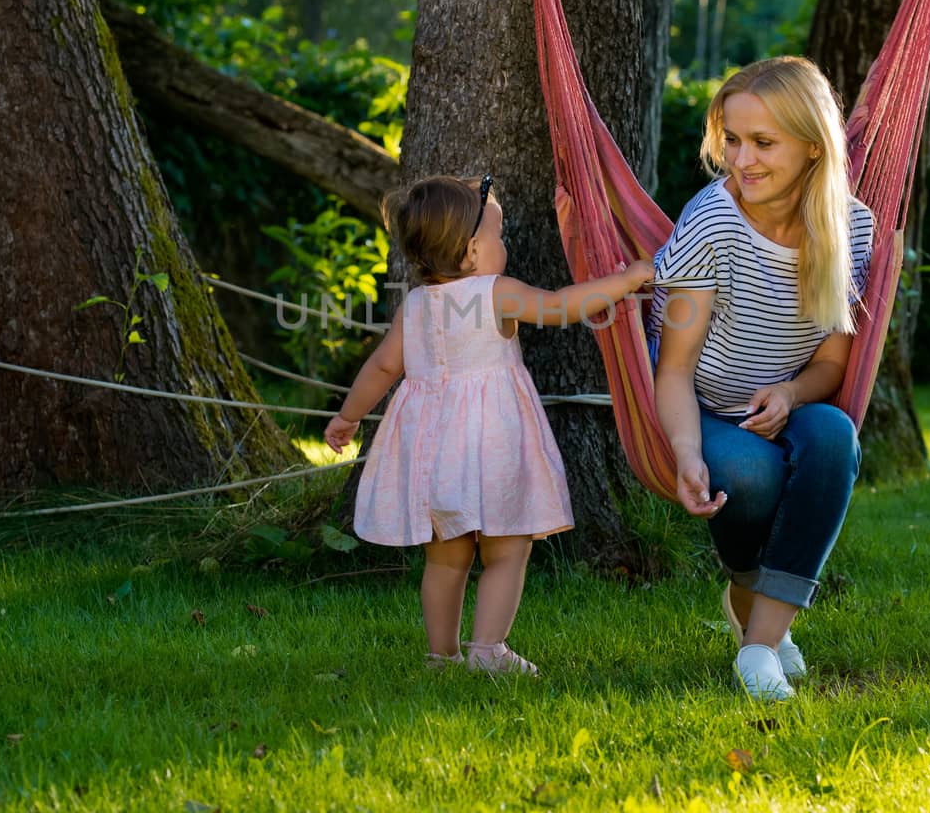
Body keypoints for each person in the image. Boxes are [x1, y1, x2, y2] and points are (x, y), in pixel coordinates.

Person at [325, 174, 653, 676]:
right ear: (473, 252)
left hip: (435, 457)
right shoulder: (494, 291)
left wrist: (349, 416)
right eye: (498, 238)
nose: (505, 248)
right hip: (493, 449)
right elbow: (563, 305)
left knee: (445, 561)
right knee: (506, 551)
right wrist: (627, 280)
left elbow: (383, 368)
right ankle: (488, 650)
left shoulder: (414, 305)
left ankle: (442, 655)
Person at [651, 56, 873, 701]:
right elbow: (672, 367)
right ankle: (756, 605)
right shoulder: (713, 222)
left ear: (812, 146)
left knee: (833, 434)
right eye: (733, 140)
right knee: (753, 474)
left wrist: (790, 393)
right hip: (705, 408)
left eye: (763, 142)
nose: (742, 159)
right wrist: (687, 452)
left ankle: (758, 646)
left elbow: (831, 365)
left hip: (783, 404)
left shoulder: (850, 229)